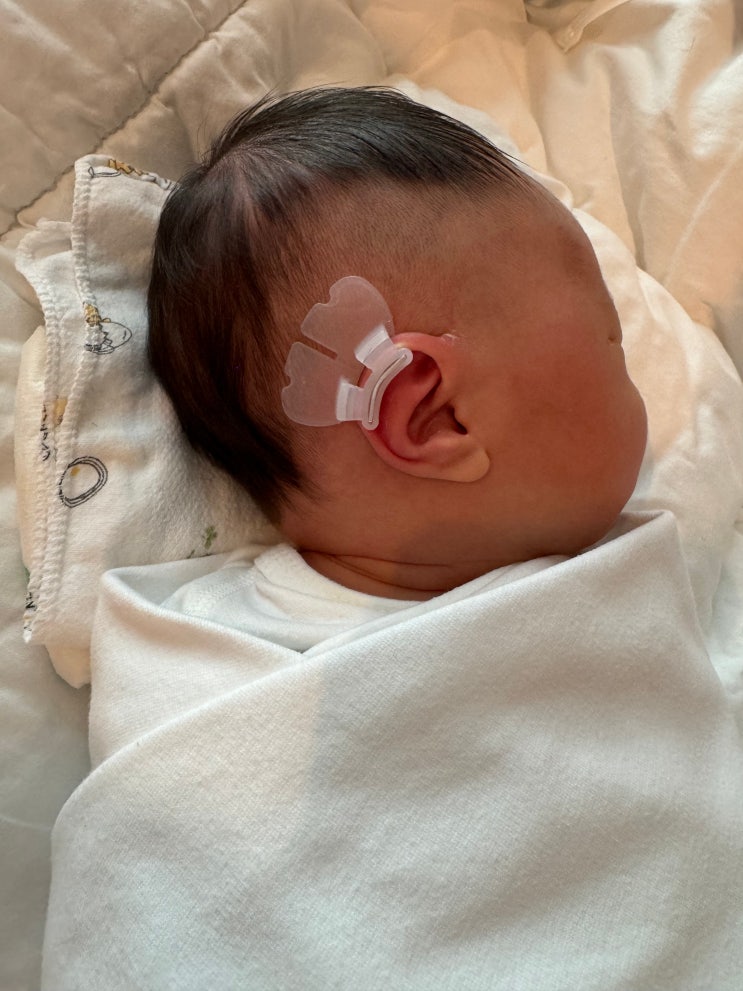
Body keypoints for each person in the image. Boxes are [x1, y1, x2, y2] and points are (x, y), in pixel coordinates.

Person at [147, 86, 647, 648]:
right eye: (611, 340)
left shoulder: (192, 649)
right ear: (436, 417)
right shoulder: (210, 652)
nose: (626, 354)